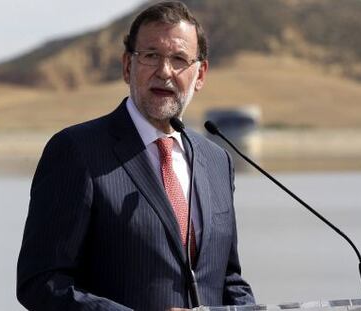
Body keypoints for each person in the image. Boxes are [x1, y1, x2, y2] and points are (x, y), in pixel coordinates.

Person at [17, 1, 255, 310]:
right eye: (151, 56)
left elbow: (228, 279)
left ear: (200, 74)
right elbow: (41, 282)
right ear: (128, 66)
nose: (164, 71)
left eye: (179, 59)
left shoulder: (217, 161)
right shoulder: (76, 150)